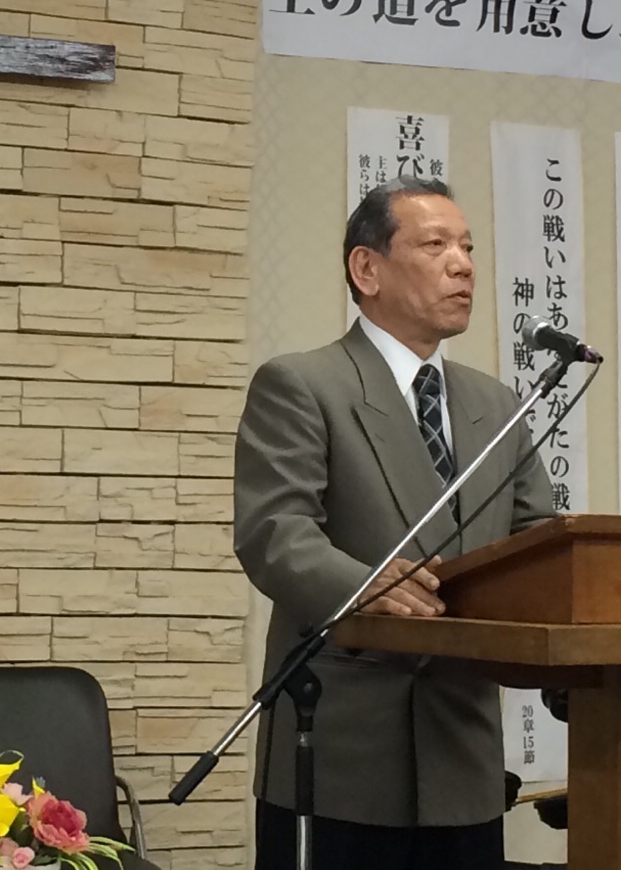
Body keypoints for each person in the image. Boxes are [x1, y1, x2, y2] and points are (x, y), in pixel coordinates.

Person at [234, 177, 555, 870]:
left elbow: (539, 545)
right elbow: (276, 533)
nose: (463, 265)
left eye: (468, 247)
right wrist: (365, 585)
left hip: (464, 749)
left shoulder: (497, 405)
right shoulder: (304, 384)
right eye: (436, 245)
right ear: (367, 268)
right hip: (342, 752)